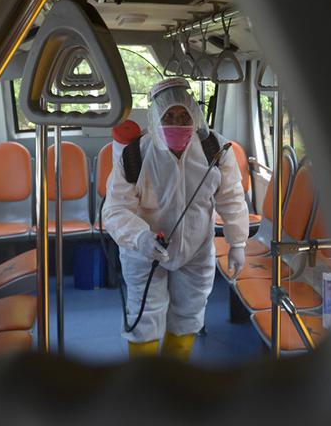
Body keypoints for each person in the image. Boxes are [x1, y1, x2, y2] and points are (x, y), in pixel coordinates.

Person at [102, 77, 250, 360]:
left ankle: (173, 382)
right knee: (145, 317)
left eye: (184, 115)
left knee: (188, 317)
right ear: (156, 115)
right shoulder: (136, 154)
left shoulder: (215, 149)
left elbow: (231, 197)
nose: (177, 122)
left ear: (194, 114)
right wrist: (141, 238)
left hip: (196, 249)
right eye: (169, 116)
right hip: (144, 253)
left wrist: (238, 242)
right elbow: (116, 209)